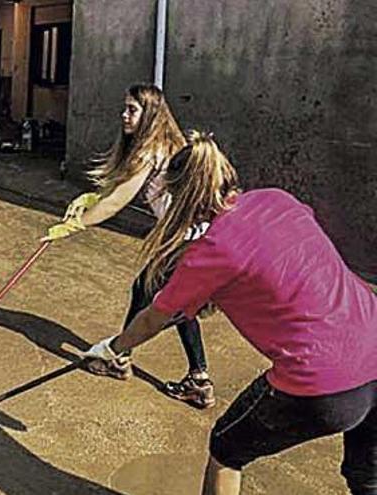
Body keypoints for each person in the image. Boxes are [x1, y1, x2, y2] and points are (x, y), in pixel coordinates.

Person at [81, 131, 377, 495]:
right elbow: (283, 262)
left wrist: (114, 347)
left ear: (181, 198)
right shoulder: (276, 198)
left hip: (322, 378)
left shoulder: (210, 252)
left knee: (226, 449)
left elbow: (154, 317)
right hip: (373, 341)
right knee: (366, 476)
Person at [51, 83, 216, 408]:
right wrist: (90, 199)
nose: (123, 115)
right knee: (163, 298)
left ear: (149, 114)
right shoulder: (172, 142)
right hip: (199, 239)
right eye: (125, 108)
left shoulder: (149, 151)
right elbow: (117, 189)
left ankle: (120, 356)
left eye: (132, 109)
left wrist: (74, 225)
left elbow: (116, 203)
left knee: (159, 296)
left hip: (186, 242)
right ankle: (195, 378)